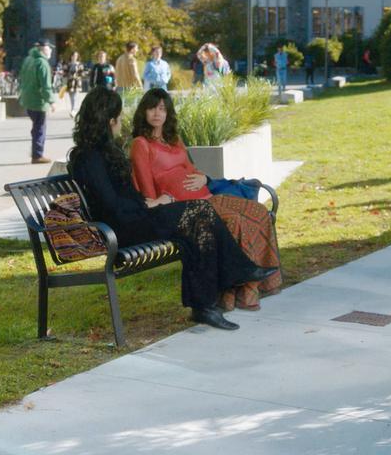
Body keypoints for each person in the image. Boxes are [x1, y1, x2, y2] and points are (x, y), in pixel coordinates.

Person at [67, 87, 277, 330]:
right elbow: (110, 204)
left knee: (198, 221)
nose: (121, 121)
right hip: (120, 229)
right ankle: (233, 276)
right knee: (199, 213)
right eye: (119, 117)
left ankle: (206, 306)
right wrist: (151, 203)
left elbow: (124, 195)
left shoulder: (106, 151)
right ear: (109, 120)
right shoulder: (89, 158)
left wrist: (146, 204)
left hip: (136, 217)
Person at [129, 88, 283, 310]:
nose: (156, 113)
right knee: (235, 222)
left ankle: (263, 283)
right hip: (188, 209)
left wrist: (202, 178)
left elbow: (191, 169)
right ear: (143, 111)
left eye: (162, 108)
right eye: (152, 108)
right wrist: (165, 200)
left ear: (168, 113)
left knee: (257, 211)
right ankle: (240, 294)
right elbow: (147, 191)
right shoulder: (141, 144)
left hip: (207, 196)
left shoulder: (174, 139)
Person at [19, 38, 56, 164]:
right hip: (38, 101)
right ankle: (37, 155)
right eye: (49, 48)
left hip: (27, 99)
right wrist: (51, 101)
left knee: (36, 127)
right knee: (40, 128)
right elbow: (46, 85)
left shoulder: (29, 59)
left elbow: (21, 78)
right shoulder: (42, 63)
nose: (50, 50)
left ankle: (35, 151)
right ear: (43, 48)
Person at [64, 51, 83, 117]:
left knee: (74, 96)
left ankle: (73, 109)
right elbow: (65, 72)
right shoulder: (68, 64)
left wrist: (77, 76)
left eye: (76, 56)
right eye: (73, 55)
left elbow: (81, 73)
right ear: (71, 56)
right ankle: (73, 109)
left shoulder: (79, 64)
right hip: (70, 81)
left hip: (76, 82)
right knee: (71, 96)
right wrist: (68, 75)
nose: (75, 57)